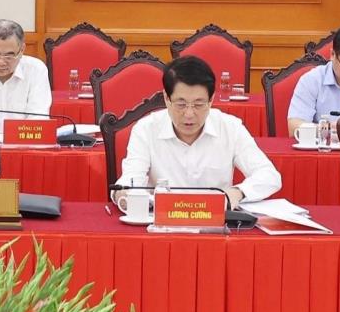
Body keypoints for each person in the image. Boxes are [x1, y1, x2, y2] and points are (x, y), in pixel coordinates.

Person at [114, 56, 280, 209]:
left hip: (216, 222)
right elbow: (130, 180)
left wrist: (238, 192)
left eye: (198, 104)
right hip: (162, 222)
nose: (189, 114)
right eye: (181, 104)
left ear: (211, 100)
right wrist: (124, 194)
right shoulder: (146, 129)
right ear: (166, 98)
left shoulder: (230, 128)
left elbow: (269, 176)